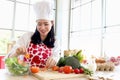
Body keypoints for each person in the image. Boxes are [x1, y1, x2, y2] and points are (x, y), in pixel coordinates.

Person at [5, 0, 61, 68]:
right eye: (39, 24)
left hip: (45, 75)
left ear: (52, 23)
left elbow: (56, 56)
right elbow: (8, 59)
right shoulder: (27, 36)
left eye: (46, 24)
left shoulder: (56, 40)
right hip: (26, 75)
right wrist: (17, 53)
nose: (42, 28)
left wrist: (55, 59)